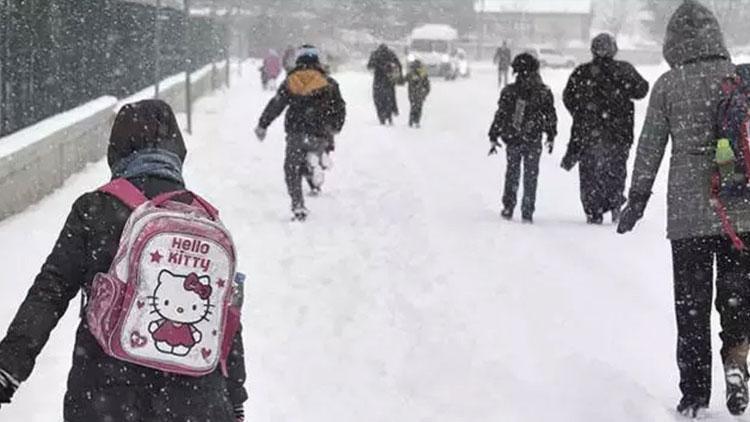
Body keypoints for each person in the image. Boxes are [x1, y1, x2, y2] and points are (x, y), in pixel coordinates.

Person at [0, 99, 248, 421]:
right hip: (194, 400)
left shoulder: (96, 209)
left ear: (117, 148)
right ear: (177, 150)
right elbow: (226, 315)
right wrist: (234, 395)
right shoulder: (203, 219)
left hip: (107, 393)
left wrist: (9, 366)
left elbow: (51, 290)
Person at [617, 1, 750, 418]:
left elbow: (650, 147)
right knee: (736, 298)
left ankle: (694, 396)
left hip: (689, 215)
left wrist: (636, 198)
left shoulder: (669, 85)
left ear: (673, 42)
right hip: (739, 212)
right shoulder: (738, 79)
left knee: (691, 307)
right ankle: (736, 360)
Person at [561, 33, 649, 225]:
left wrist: (581, 113)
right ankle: (615, 202)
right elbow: (642, 90)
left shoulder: (581, 73)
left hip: (588, 133)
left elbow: (568, 98)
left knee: (590, 173)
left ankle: (593, 210)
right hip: (619, 132)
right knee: (616, 170)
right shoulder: (624, 70)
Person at [254, 45, 346, 221]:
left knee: (292, 168)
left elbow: (276, 105)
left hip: (296, 131)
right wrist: (335, 126)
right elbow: (339, 108)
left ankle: (298, 205)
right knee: (315, 152)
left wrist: (263, 125)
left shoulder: (291, 81)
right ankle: (317, 162)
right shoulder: (329, 83)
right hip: (320, 132)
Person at [488, 53, 557, 223]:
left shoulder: (510, 91)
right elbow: (550, 115)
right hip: (533, 138)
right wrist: (551, 134)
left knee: (512, 172)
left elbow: (501, 115)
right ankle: (527, 209)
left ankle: (508, 205)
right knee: (531, 175)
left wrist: (494, 134)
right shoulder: (543, 92)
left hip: (513, 137)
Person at [367, 44, 403, 125]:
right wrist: (398, 76)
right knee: (389, 98)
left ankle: (382, 116)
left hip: (378, 79)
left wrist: (377, 66)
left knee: (378, 99)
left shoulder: (375, 54)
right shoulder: (390, 54)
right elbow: (399, 65)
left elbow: (369, 66)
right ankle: (389, 113)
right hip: (388, 79)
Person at [406, 59, 431, 128]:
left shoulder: (412, 73)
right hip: (419, 94)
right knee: (418, 107)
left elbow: (403, 80)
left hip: (414, 94)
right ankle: (416, 121)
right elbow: (427, 86)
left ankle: (413, 120)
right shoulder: (422, 74)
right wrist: (425, 93)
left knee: (414, 106)